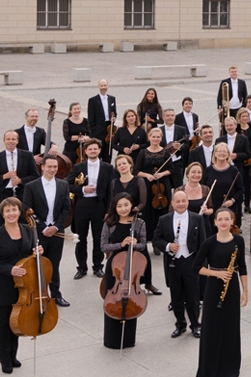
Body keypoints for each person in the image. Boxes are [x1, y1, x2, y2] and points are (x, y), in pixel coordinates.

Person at [194, 208, 248, 377]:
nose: (224, 222)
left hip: (231, 288)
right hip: (214, 287)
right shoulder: (209, 243)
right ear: (215, 222)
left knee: (230, 328)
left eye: (227, 219)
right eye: (220, 219)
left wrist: (245, 291)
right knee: (212, 328)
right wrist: (217, 274)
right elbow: (197, 268)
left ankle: (230, 369)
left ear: (232, 221)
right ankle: (210, 370)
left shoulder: (239, 240)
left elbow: (243, 267)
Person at [0, 196, 33, 373]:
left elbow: (30, 252)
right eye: (8, 211)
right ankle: (4, 359)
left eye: (14, 210)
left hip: (23, 286)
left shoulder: (28, 230)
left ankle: (13, 355)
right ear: (2, 214)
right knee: (4, 323)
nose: (11, 213)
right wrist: (10, 270)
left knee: (16, 322)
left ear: (19, 212)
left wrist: (37, 251)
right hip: (2, 286)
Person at [21, 155, 72, 307]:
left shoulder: (63, 185)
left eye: (55, 167)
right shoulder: (31, 186)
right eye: (49, 167)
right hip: (38, 232)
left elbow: (66, 208)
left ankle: (56, 295)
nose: (52, 170)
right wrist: (43, 227)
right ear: (42, 167)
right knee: (38, 264)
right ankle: (38, 295)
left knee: (54, 265)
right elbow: (27, 209)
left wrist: (55, 227)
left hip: (56, 232)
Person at [99, 193, 148, 349]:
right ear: (115, 207)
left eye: (126, 205)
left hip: (133, 266)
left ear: (131, 205)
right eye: (119, 206)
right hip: (115, 268)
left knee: (131, 298)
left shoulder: (139, 223)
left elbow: (144, 244)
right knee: (113, 299)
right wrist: (120, 244)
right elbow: (103, 246)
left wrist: (136, 243)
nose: (123, 209)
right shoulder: (109, 223)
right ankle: (112, 339)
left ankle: (128, 339)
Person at [154, 189, 204, 339]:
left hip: (191, 261)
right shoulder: (164, 219)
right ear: (172, 203)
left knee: (193, 295)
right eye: (178, 201)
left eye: (184, 201)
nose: (181, 204)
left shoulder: (197, 219)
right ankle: (180, 324)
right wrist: (168, 246)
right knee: (176, 295)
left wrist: (202, 265)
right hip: (173, 262)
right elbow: (156, 239)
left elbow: (203, 242)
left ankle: (195, 324)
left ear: (188, 202)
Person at [70, 139, 112, 278]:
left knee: (98, 237)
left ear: (99, 150)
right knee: (80, 238)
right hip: (82, 205)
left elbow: (110, 191)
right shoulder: (78, 167)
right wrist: (82, 189)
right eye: (90, 149)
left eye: (95, 149)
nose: (93, 151)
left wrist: (108, 211)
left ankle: (98, 266)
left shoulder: (107, 167)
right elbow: (68, 185)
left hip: (99, 205)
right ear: (86, 151)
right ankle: (81, 268)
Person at [0, 131, 39, 227]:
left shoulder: (27, 156)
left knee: (24, 226)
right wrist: (4, 177)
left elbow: (36, 176)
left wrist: (21, 181)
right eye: (8, 139)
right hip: (2, 196)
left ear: (17, 141)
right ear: (4, 141)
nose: (10, 141)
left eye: (13, 139)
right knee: (1, 226)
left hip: (22, 195)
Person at [134, 127, 174, 248]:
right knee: (147, 213)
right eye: (154, 136)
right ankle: (146, 239)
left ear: (161, 138)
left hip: (162, 186)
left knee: (161, 213)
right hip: (147, 185)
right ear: (149, 137)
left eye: (158, 137)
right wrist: (147, 175)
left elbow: (172, 169)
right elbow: (136, 170)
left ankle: (158, 242)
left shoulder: (166, 152)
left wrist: (161, 174)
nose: (156, 139)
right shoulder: (143, 152)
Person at [87, 80, 117, 146]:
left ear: (107, 86)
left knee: (108, 149)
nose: (103, 87)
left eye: (105, 85)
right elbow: (90, 117)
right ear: (98, 86)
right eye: (102, 86)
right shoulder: (93, 100)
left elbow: (114, 112)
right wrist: (94, 131)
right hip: (98, 129)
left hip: (109, 128)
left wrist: (114, 118)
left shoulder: (112, 98)